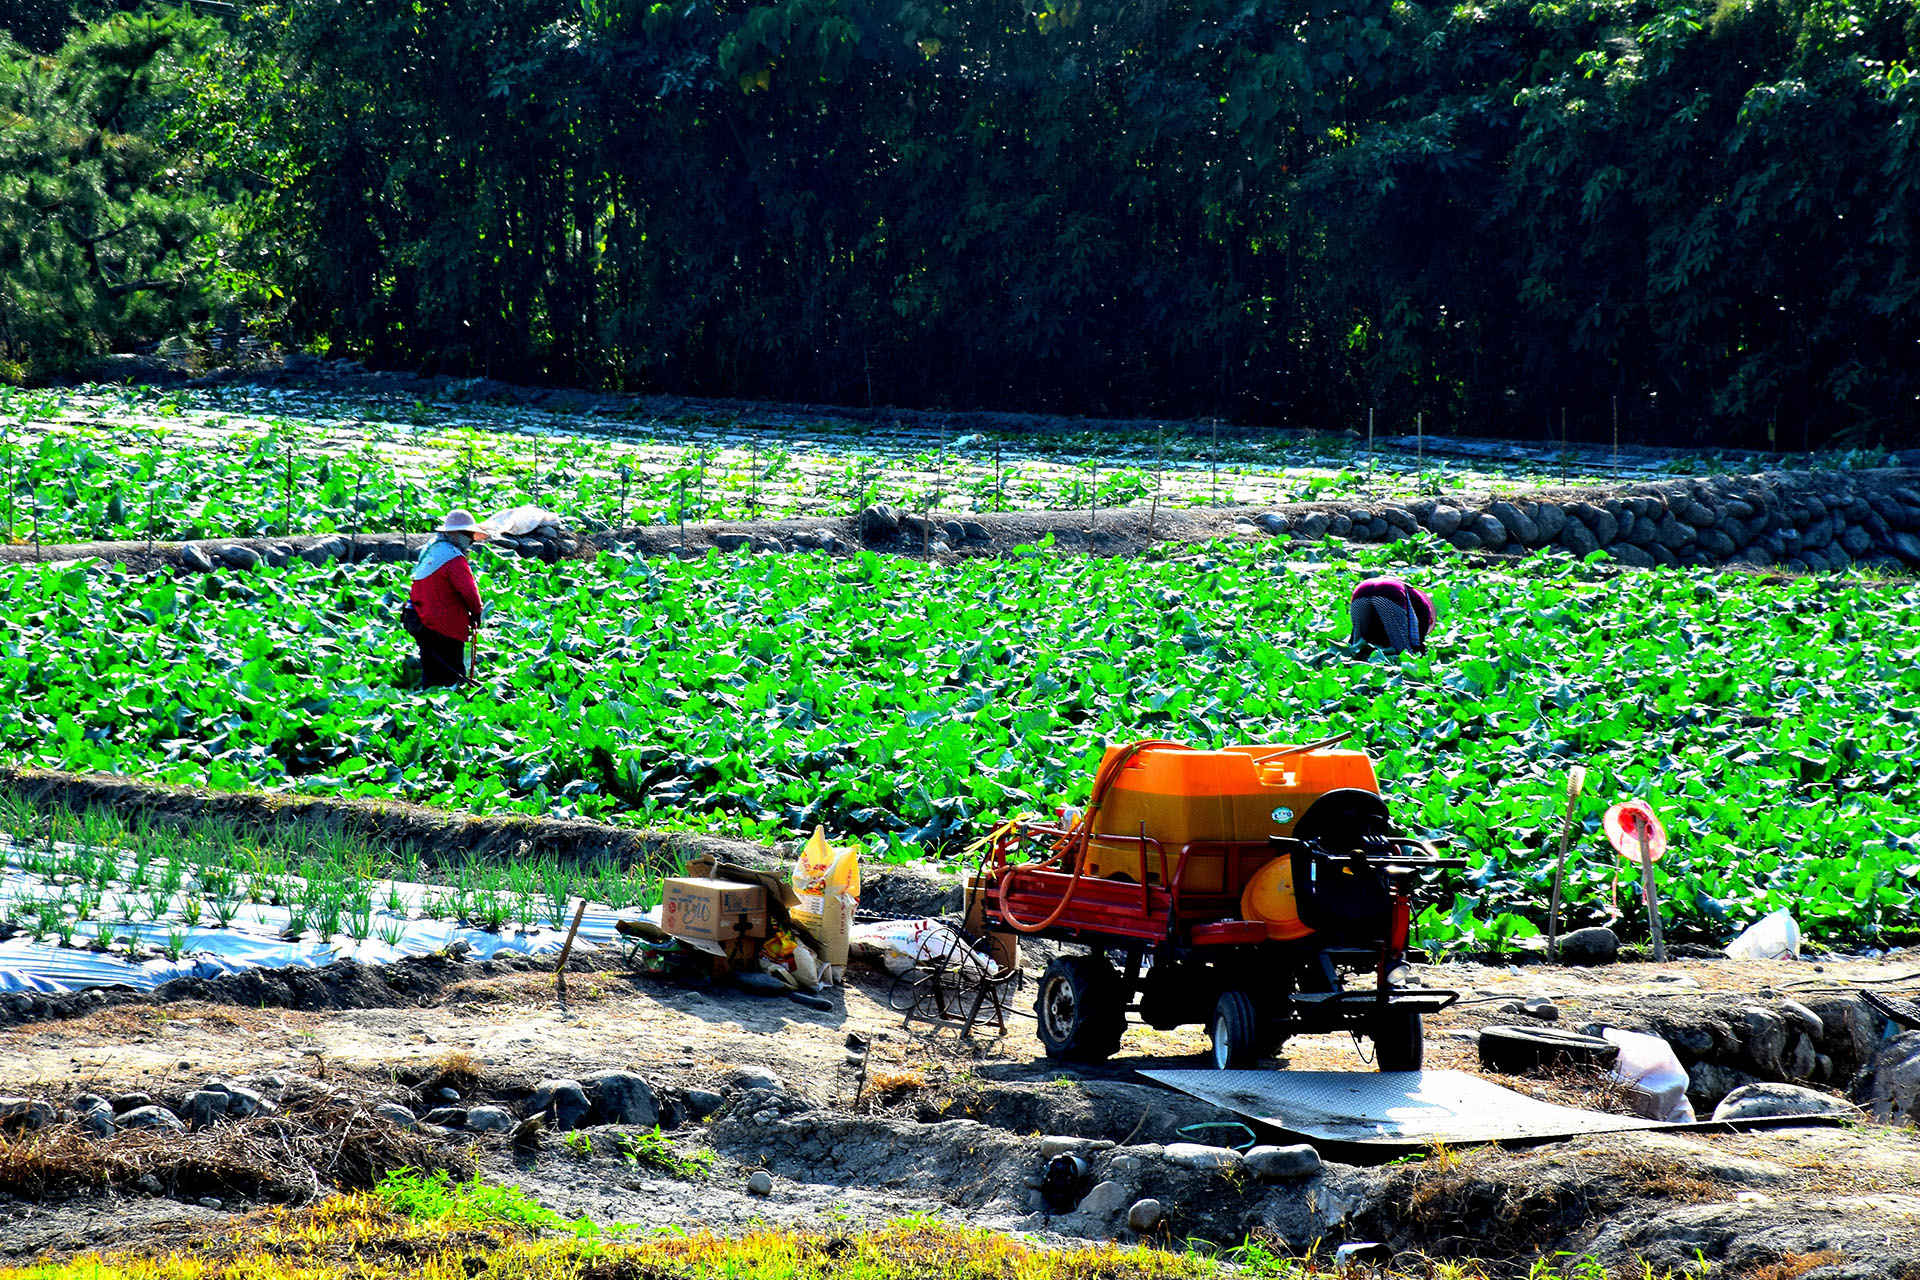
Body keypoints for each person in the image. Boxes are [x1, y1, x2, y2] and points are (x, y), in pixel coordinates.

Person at [405, 510, 488, 687]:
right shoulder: (454, 559)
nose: (470, 540)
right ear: (454, 533)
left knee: (432, 672)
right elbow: (469, 592)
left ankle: (430, 707)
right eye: (466, 535)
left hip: (422, 621)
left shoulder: (431, 550)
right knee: (452, 674)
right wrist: (476, 613)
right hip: (445, 626)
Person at [1349, 576, 1435, 653]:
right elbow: (1417, 642)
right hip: (1388, 594)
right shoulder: (1425, 610)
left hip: (1360, 592)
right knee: (1402, 649)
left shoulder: (1414, 595)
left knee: (1358, 646)